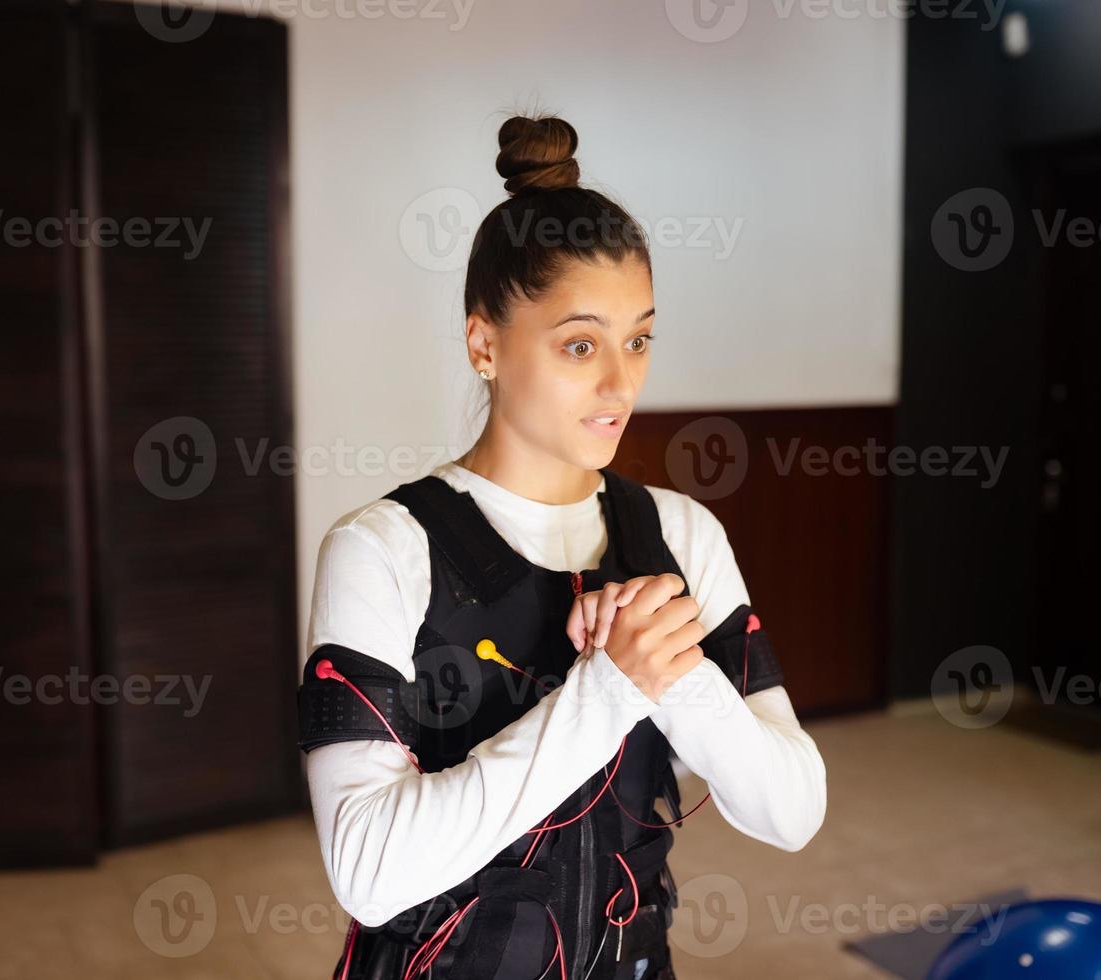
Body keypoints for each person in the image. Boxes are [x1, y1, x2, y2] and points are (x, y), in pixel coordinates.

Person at [297, 112, 827, 980]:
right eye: (580, 344)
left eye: (639, 340)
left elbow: (791, 810)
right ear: (484, 343)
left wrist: (678, 673)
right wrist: (611, 689)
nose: (621, 383)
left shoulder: (680, 534)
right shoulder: (382, 547)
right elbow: (369, 872)